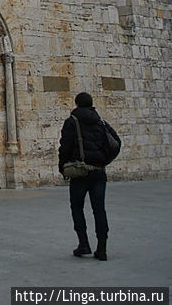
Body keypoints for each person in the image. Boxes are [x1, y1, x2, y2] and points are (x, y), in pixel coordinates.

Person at [58, 92, 121, 261]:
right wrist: (104, 162)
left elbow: (64, 146)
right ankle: (102, 249)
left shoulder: (72, 122)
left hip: (80, 173)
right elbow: (115, 143)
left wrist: (62, 167)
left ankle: (83, 244)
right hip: (99, 172)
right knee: (99, 209)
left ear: (77, 104)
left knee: (77, 207)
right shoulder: (101, 123)